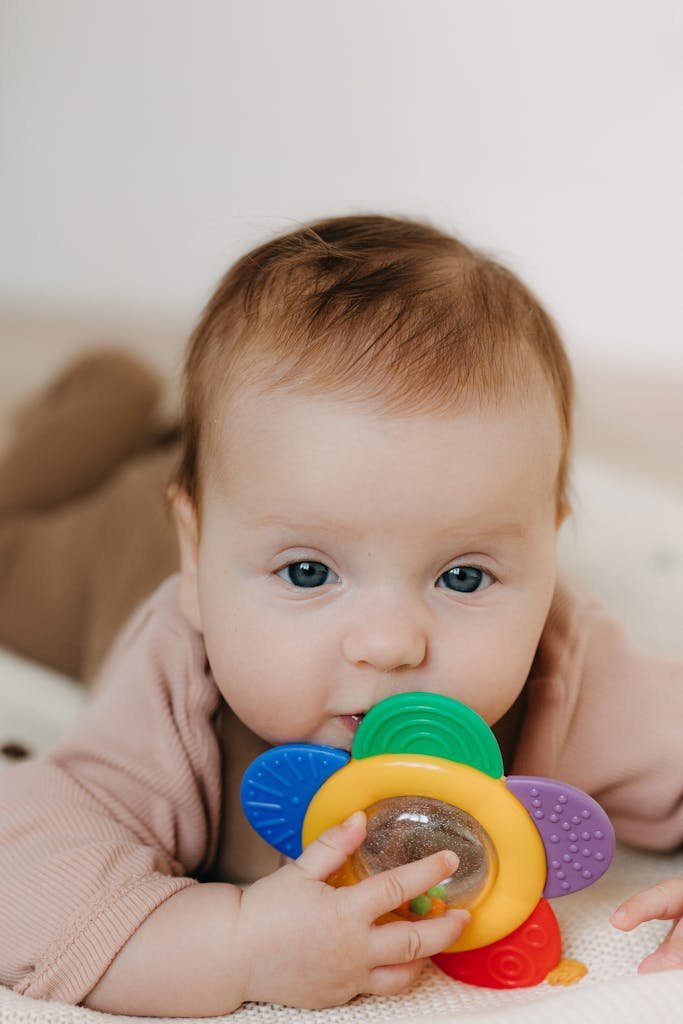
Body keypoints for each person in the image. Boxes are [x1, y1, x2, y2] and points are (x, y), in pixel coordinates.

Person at [0, 215, 681, 1015]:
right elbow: (25, 862)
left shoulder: (570, 666)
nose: (389, 644)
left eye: (462, 575)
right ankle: (105, 400)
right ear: (196, 559)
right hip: (111, 552)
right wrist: (232, 947)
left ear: (545, 554)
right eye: (308, 571)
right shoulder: (176, 678)